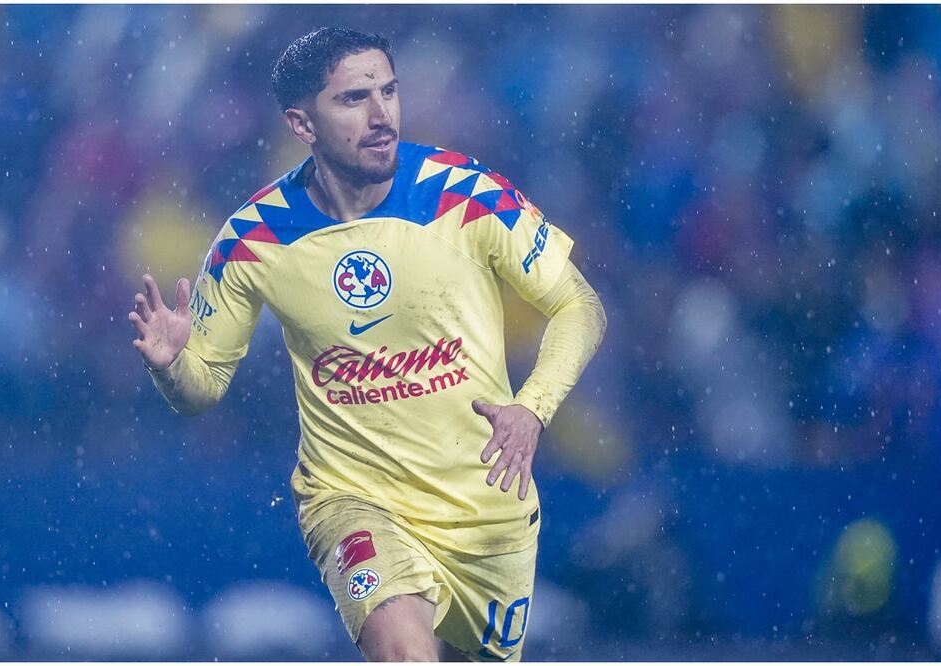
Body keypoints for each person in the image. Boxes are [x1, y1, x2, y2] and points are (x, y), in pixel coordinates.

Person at [129, 27, 605, 662]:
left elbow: (581, 305)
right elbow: (203, 388)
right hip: (351, 500)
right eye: (354, 100)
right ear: (302, 123)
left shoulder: (465, 193)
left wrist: (533, 406)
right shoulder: (254, 238)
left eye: (389, 91)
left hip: (486, 510)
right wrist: (170, 369)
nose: (382, 116)